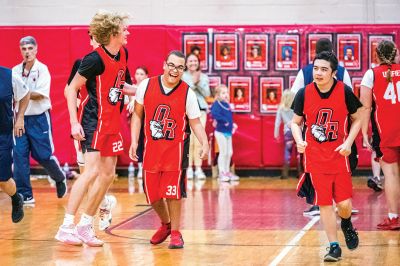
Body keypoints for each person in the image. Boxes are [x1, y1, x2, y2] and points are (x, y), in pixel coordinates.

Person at [55, 11, 130, 247]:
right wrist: (73, 122)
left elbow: (121, 85)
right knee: (91, 172)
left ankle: (85, 225)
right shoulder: (93, 59)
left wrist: (147, 89)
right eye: (124, 29)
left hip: (112, 123)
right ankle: (66, 226)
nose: (128, 32)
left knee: (108, 175)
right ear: (113, 33)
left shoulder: (123, 53)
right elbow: (71, 89)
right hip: (92, 121)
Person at [129, 50, 209, 249]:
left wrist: (205, 142)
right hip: (151, 150)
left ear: (184, 70)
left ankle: (175, 232)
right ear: (164, 64)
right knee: (153, 195)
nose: (175, 70)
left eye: (180, 67)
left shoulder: (188, 93)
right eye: (172, 65)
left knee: (173, 194)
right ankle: (166, 224)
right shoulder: (146, 86)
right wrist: (133, 141)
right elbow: (138, 115)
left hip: (176, 150)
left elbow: (196, 123)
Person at [292, 51, 364, 262]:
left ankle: (347, 222)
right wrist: (299, 140)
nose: (319, 73)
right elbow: (295, 122)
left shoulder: (344, 91)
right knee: (324, 203)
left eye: (324, 69)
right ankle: (333, 246)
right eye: (316, 68)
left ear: (334, 73)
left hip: (339, 156)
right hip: (314, 158)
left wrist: (349, 142)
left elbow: (358, 118)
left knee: (343, 204)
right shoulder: (303, 94)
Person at [291, 38, 353, 216]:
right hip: (339, 129)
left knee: (314, 164)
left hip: (316, 127)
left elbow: (293, 95)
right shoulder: (342, 71)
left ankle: (321, 202)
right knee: (344, 163)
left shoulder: (305, 71)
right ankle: (342, 201)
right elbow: (350, 96)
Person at [12, 36, 67, 204]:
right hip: (19, 119)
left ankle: (59, 177)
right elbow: (13, 94)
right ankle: (25, 195)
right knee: (19, 156)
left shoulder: (42, 69)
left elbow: (39, 95)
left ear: (36, 49)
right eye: (24, 49)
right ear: (20, 51)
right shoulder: (15, 71)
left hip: (39, 118)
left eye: (30, 48)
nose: (27, 52)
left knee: (43, 155)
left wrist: (22, 92)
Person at [360, 40, 400, 230]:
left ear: (376, 56)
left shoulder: (371, 74)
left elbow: (366, 107)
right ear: (396, 53)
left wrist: (364, 133)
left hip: (387, 132)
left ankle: (393, 218)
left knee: (391, 175)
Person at [0, 66, 30, 223]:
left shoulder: (8, 76)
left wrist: (20, 118)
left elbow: (25, 94)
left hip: (3, 134)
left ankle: (16, 197)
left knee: (3, 179)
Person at [182, 53, 210, 180]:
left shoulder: (203, 77)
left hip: (201, 111)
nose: (193, 63)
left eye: (195, 61)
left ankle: (198, 169)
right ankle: (187, 168)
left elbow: (207, 93)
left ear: (198, 63)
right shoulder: (182, 76)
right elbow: (184, 91)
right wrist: (194, 82)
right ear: (186, 63)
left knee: (199, 140)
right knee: (188, 140)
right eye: (190, 61)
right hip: (186, 111)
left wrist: (198, 82)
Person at [210, 84, 238, 182]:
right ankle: (221, 172)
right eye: (223, 93)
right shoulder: (217, 104)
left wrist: (232, 124)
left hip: (228, 132)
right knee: (223, 152)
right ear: (217, 95)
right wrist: (223, 121)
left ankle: (227, 171)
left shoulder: (227, 105)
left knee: (229, 152)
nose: (225, 95)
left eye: (226, 93)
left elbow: (229, 117)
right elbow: (214, 114)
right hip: (220, 132)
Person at [126, 66, 149, 178]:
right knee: (138, 142)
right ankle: (140, 167)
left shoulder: (148, 87)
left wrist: (135, 100)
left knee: (148, 142)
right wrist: (131, 101)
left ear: (146, 76)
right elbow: (127, 103)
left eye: (142, 74)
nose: (139, 76)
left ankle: (148, 166)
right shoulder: (131, 88)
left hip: (148, 117)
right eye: (137, 73)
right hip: (136, 118)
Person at [274, 89, 296, 179]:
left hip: (288, 132)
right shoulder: (296, 107)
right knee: (299, 153)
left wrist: (276, 134)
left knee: (288, 151)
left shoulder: (281, 108)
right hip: (298, 131)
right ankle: (301, 172)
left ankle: (285, 174)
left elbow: (277, 123)